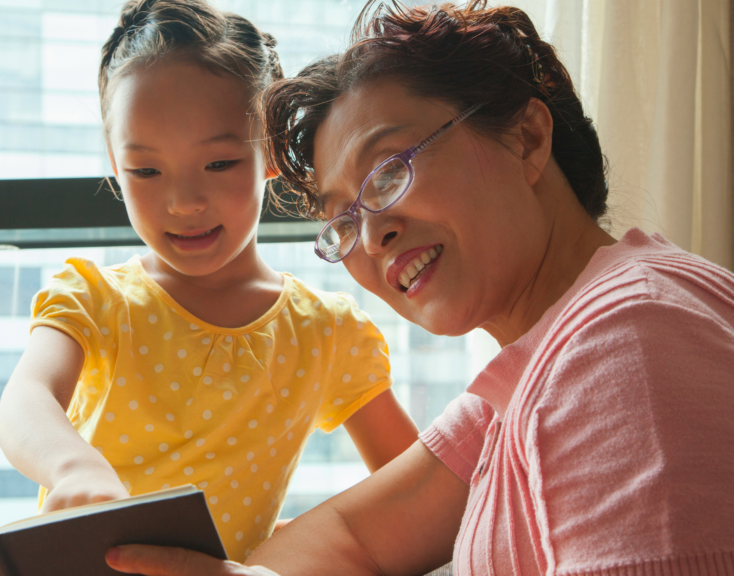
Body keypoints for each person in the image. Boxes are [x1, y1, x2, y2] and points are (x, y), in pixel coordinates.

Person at [102, 1, 734, 574]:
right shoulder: (524, 379)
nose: (370, 235)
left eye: (388, 172)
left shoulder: (624, 346)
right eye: (342, 219)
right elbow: (350, 536)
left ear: (526, 137)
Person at [0, 0, 419, 561]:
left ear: (271, 150)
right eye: (146, 170)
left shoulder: (325, 332)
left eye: (218, 164)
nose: (185, 202)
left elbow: (418, 482)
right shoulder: (96, 298)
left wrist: (313, 545)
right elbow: (24, 401)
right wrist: (73, 468)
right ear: (115, 167)